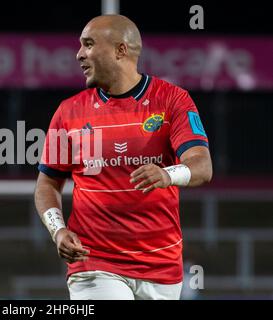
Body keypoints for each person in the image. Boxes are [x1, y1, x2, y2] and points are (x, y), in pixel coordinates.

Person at [34, 14, 212, 300]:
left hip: (162, 265)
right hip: (94, 261)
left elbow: (202, 166)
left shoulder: (173, 100)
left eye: (88, 44)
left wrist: (168, 174)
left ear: (120, 50)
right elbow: (47, 184)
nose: (79, 54)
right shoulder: (68, 112)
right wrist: (58, 230)